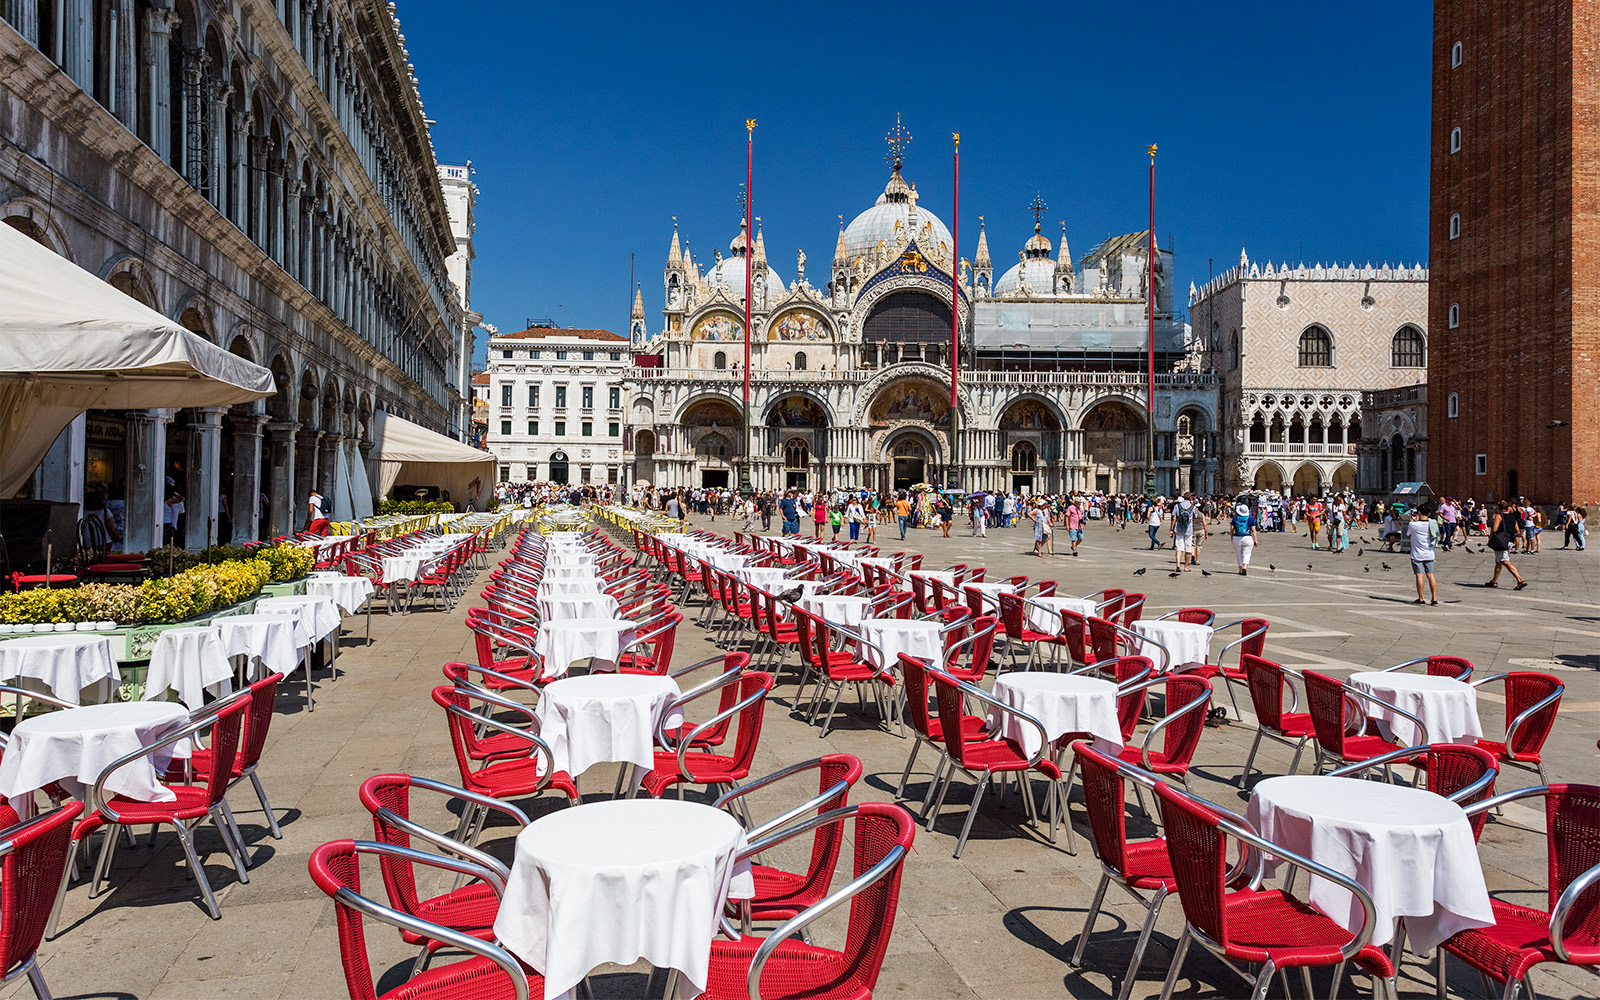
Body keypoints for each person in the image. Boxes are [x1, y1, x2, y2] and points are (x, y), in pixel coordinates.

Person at [1487, 500, 1528, 589]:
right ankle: (1494, 581)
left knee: (1504, 561)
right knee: (1499, 561)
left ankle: (1520, 580)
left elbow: (1495, 529)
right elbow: (1517, 531)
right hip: (1510, 541)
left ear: (1499, 508)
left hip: (1501, 542)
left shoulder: (1499, 516)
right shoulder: (1512, 517)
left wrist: (1491, 536)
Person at [1408, 503, 1440, 605]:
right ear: (1429, 514)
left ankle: (1421, 598)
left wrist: (1412, 520)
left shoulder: (1413, 525)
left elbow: (1408, 533)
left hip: (1417, 554)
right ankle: (1434, 599)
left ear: (1419, 513)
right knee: (1431, 575)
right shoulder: (1433, 524)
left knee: (1419, 576)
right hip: (1429, 553)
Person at [1230, 501, 1258, 575]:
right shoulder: (1250, 519)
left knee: (1239, 554)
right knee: (1247, 553)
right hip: (1247, 537)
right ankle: (1245, 567)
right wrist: (1255, 540)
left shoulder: (1235, 518)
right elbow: (1254, 530)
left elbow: (1232, 529)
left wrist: (1232, 537)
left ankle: (1240, 569)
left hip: (1237, 537)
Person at [1170, 495, 1195, 572]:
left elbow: (1174, 518)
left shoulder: (1177, 506)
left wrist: (1171, 529)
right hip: (1188, 530)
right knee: (1188, 549)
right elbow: (1195, 516)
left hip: (1179, 529)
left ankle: (1178, 565)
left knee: (1179, 548)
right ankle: (1186, 567)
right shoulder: (1192, 507)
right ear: (1190, 499)